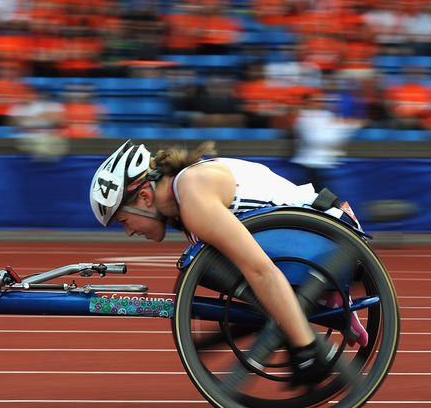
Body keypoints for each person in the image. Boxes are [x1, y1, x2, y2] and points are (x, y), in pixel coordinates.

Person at [89, 140, 368, 387]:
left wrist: (306, 349)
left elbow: (260, 270)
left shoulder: (193, 195)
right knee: (203, 263)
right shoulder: (186, 192)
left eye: (123, 221)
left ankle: (317, 308)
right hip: (316, 235)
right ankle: (324, 303)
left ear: (145, 197)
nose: (129, 232)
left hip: (328, 239)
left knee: (206, 264)